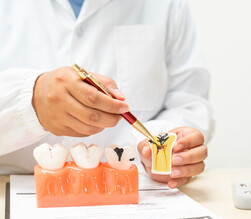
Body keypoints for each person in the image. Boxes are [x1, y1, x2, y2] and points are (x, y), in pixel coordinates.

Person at [0, 0, 214, 188]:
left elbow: (188, 101)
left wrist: (165, 145)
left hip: (136, 190)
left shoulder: (168, 5)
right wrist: (30, 102)